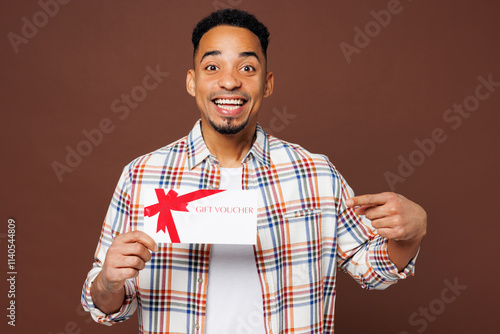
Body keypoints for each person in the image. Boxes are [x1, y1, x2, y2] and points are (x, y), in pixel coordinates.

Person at [81, 9, 427, 334]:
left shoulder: (315, 174)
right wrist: (108, 282)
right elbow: (109, 306)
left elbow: (373, 271)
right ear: (192, 82)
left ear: (267, 83)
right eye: (212, 67)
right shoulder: (143, 176)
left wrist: (410, 235)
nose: (229, 82)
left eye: (247, 68)